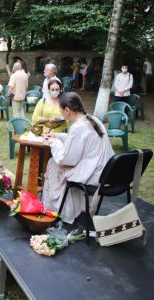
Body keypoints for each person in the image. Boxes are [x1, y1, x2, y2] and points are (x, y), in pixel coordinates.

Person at [41, 92, 114, 224]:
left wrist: (54, 143)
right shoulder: (93, 119)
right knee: (56, 164)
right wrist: (57, 136)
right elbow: (76, 140)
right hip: (107, 171)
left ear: (67, 110)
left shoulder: (78, 127)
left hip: (94, 174)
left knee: (53, 163)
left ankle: (59, 209)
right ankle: (78, 207)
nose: (61, 113)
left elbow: (67, 159)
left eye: (61, 110)